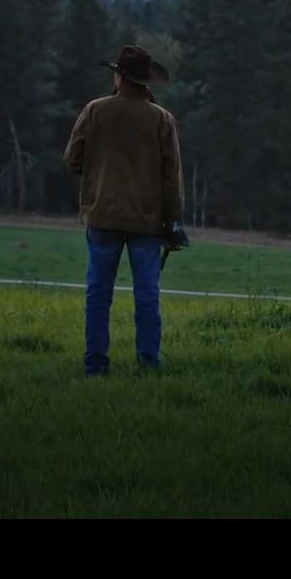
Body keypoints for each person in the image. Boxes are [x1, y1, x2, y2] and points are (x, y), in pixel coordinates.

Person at [62, 44, 185, 375]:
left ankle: (95, 365)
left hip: (102, 215)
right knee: (147, 296)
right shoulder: (162, 119)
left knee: (98, 295)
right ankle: (148, 362)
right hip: (147, 221)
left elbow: (72, 160)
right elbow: (172, 178)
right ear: (145, 82)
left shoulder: (94, 111)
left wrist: (98, 176)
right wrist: (173, 222)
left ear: (119, 77)